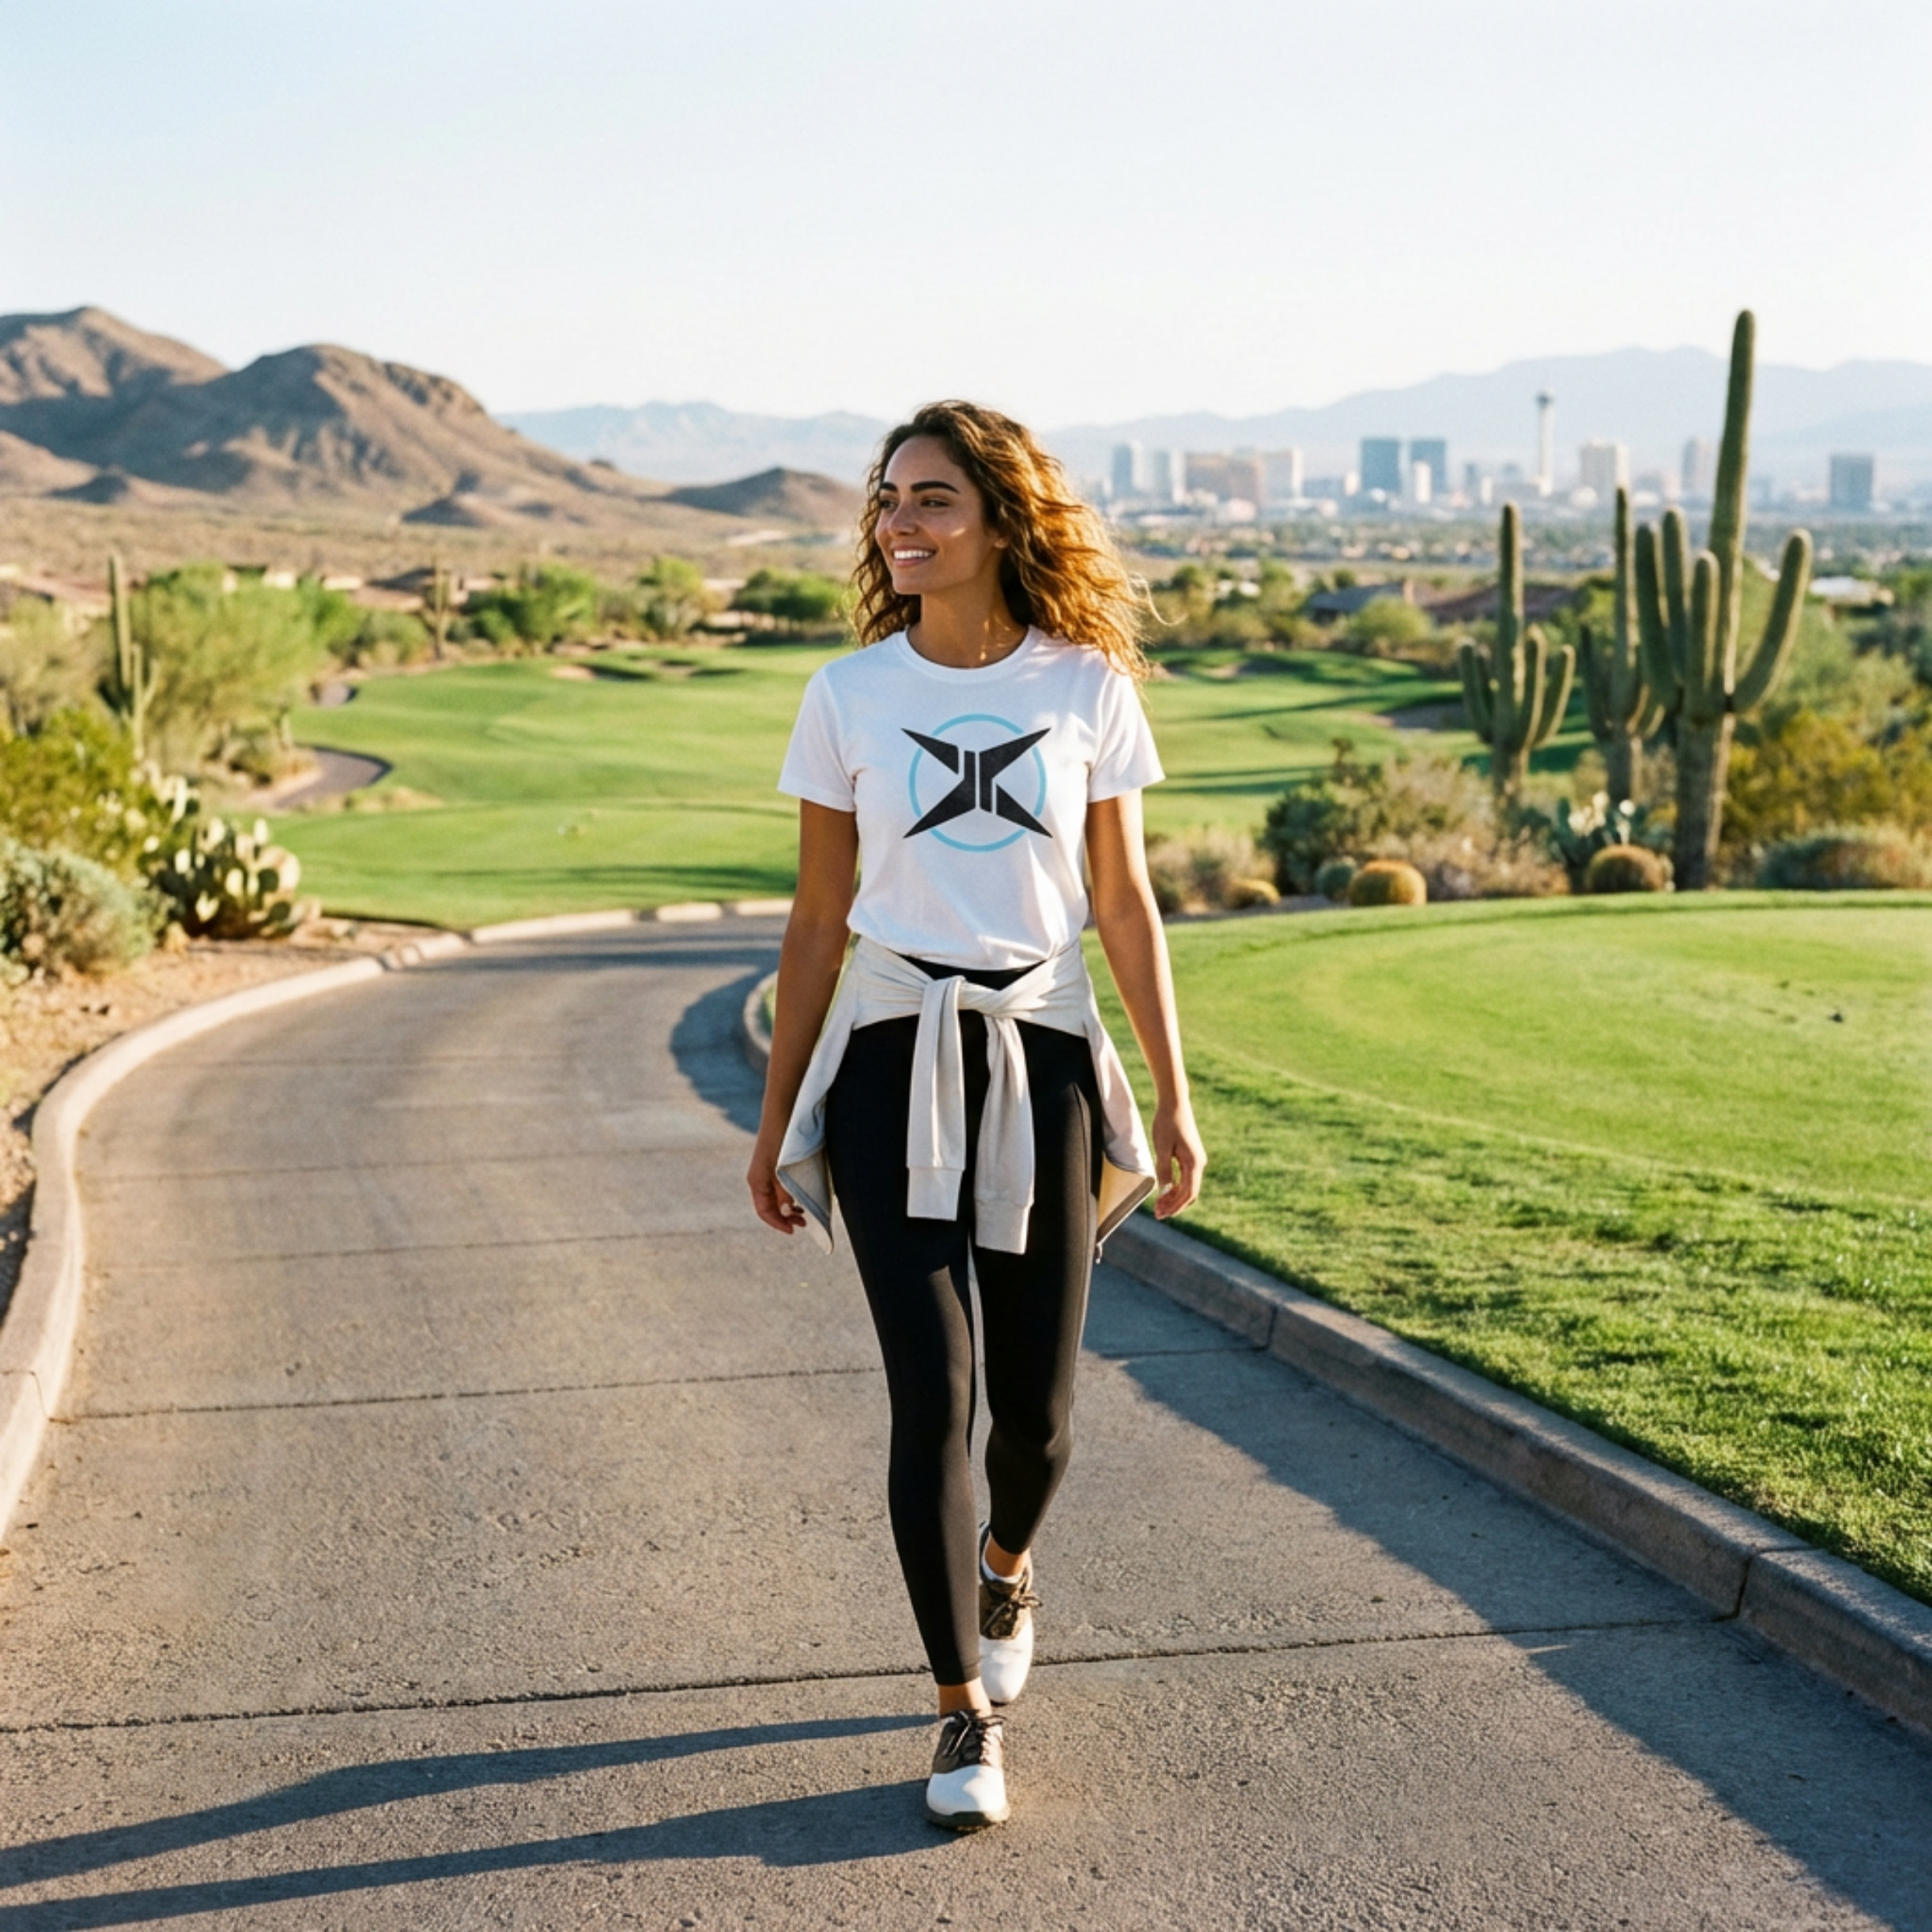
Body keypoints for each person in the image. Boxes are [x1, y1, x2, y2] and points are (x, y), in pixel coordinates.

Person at [746, 400, 1204, 1831]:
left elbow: (1124, 904)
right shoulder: (847, 695)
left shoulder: (1087, 686)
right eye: (889, 500)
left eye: (932, 499)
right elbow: (818, 920)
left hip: (1046, 1053)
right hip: (891, 1057)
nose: (900, 523)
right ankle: (959, 1715)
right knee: (930, 1394)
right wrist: (775, 1127)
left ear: (1002, 521)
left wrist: (1177, 1101)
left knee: (1042, 1416)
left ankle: (1008, 1560)